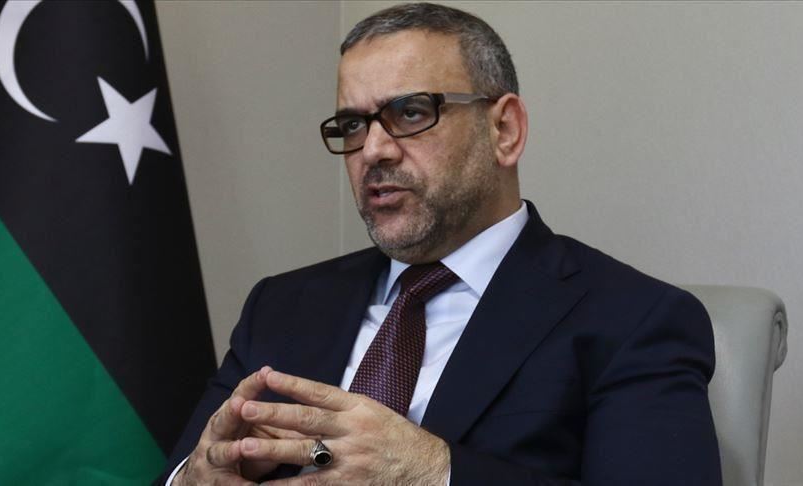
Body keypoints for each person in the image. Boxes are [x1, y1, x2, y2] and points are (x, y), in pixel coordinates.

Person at [164, 3, 722, 485]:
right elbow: (185, 470)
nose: (373, 150)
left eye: (410, 112)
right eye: (353, 126)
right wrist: (195, 476)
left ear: (504, 130)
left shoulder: (633, 320)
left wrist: (434, 473)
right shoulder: (282, 305)